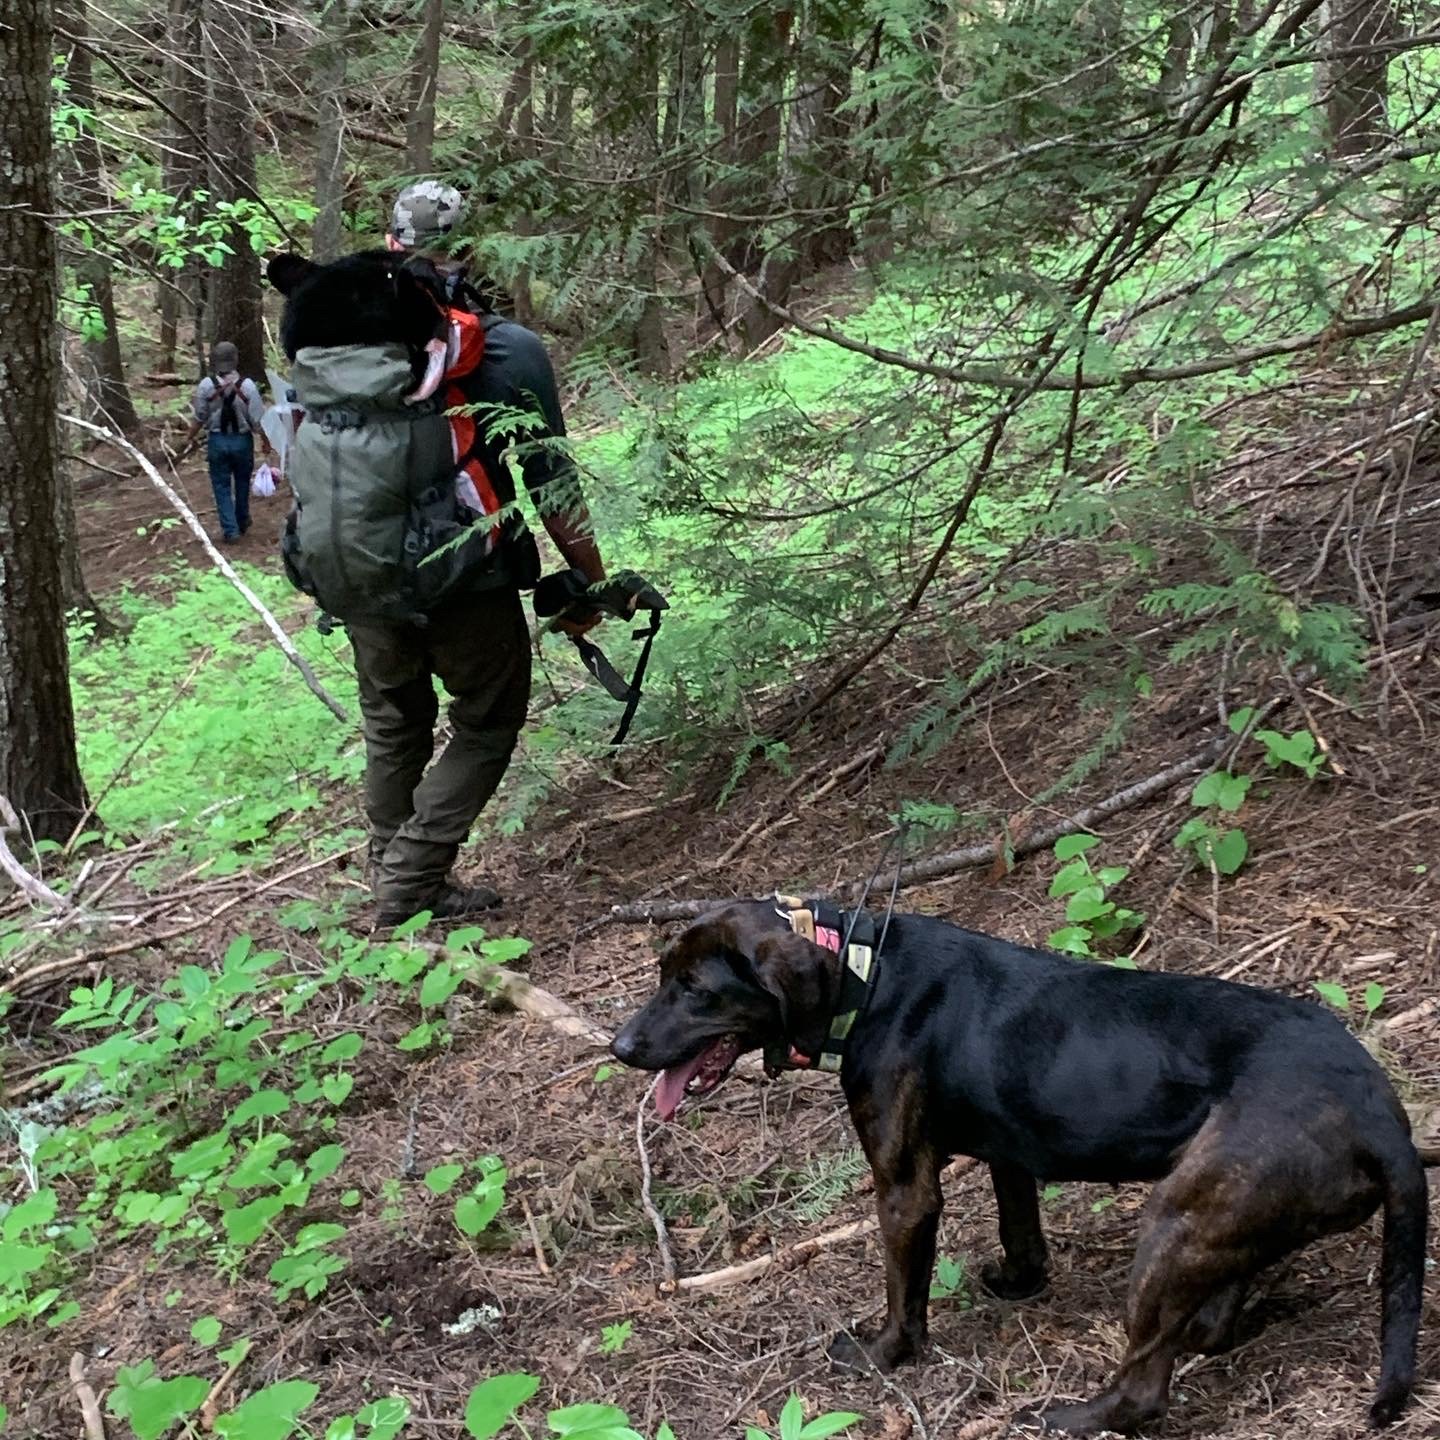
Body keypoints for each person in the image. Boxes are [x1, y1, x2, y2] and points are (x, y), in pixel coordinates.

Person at [352, 182, 606, 925]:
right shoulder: (503, 348)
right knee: (488, 719)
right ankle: (408, 882)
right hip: (464, 572)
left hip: (358, 568)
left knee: (394, 719)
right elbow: (550, 479)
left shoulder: (345, 339)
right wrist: (591, 577)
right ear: (475, 250)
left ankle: (393, 870)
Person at [186, 341, 274, 543]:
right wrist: (265, 441)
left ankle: (230, 530)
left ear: (215, 361)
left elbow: (199, 417)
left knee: (221, 486)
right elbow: (258, 420)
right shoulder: (249, 386)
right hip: (243, 442)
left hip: (217, 441)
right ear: (235, 360)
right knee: (242, 483)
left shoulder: (206, 385)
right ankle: (242, 521)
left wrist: (189, 437)